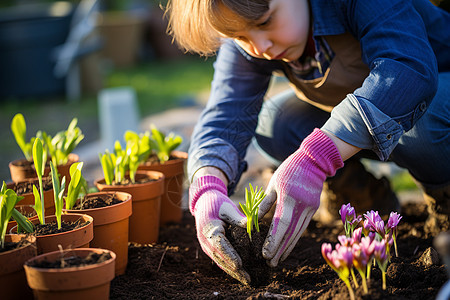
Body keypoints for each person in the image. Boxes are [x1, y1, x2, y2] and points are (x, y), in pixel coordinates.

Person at [165, 0, 450, 285]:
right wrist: (207, 186)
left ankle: (445, 202)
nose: (260, 47)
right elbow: (225, 115)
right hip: (368, 117)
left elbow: (407, 70)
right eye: (241, 37)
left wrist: (315, 159)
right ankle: (366, 201)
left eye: (265, 22)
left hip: (431, 91)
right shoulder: (251, 32)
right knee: (276, 122)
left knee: (425, 122)